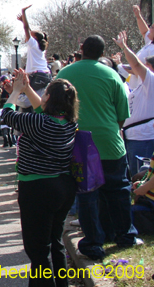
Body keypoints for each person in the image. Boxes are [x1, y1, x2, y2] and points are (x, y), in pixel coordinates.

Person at [57, 35, 140, 260]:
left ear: (81, 48)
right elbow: (122, 114)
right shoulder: (112, 75)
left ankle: (93, 242)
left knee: (87, 195)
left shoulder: (65, 74)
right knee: (119, 191)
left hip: (78, 143)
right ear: (102, 53)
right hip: (109, 142)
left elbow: (56, 109)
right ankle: (125, 235)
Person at [0, 71, 78, 287]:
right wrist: (26, 89)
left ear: (49, 98)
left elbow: (6, 115)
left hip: (38, 189)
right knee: (55, 242)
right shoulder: (69, 122)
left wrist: (16, 92)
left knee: (37, 250)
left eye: (44, 94)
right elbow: (41, 108)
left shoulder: (38, 123)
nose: (41, 97)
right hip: (63, 187)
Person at [114, 31, 154, 175]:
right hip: (134, 137)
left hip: (143, 138)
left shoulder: (152, 80)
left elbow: (135, 64)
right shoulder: (143, 84)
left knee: (141, 176)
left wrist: (124, 47)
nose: (143, 67)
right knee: (135, 177)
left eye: (146, 65)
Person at [16, 5, 51, 108]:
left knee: (29, 101)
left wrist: (23, 12)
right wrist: (23, 21)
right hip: (45, 74)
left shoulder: (33, 44)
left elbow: (26, 28)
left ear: (34, 37)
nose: (28, 36)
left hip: (36, 75)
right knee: (39, 99)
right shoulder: (40, 46)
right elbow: (29, 30)